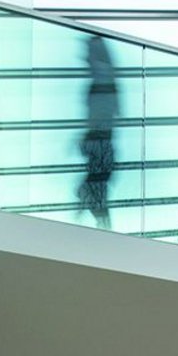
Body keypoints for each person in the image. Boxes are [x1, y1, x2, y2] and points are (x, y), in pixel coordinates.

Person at [77, 35, 118, 229]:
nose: (85, 57)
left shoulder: (102, 76)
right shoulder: (103, 77)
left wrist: (88, 133)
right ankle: (102, 225)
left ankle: (102, 226)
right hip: (100, 143)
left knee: (91, 189)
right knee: (91, 189)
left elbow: (100, 112)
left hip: (100, 142)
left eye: (88, 52)